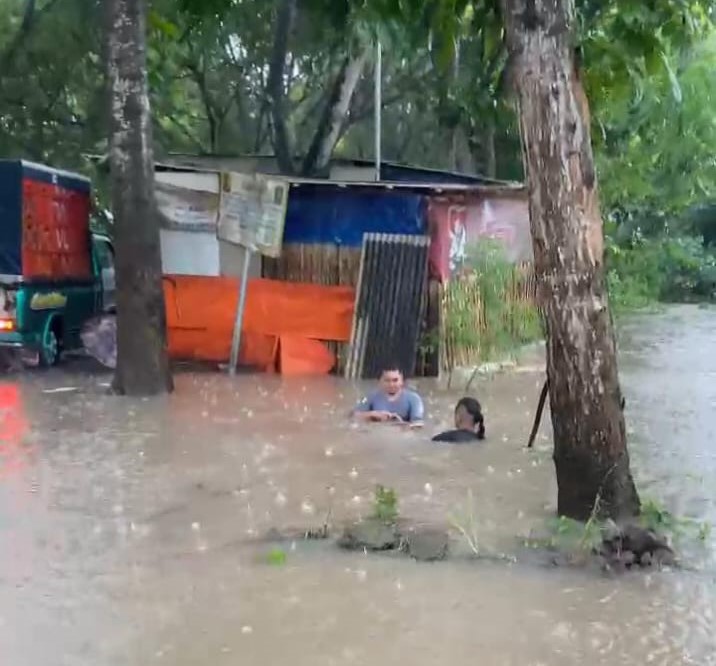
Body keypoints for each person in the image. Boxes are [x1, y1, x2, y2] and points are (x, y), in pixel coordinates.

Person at [353, 364, 424, 426]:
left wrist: (399, 422)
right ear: (380, 381)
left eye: (395, 380)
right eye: (387, 380)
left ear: (402, 381)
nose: (391, 384)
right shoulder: (369, 397)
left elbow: (418, 424)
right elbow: (354, 415)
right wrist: (374, 414)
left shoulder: (414, 399)